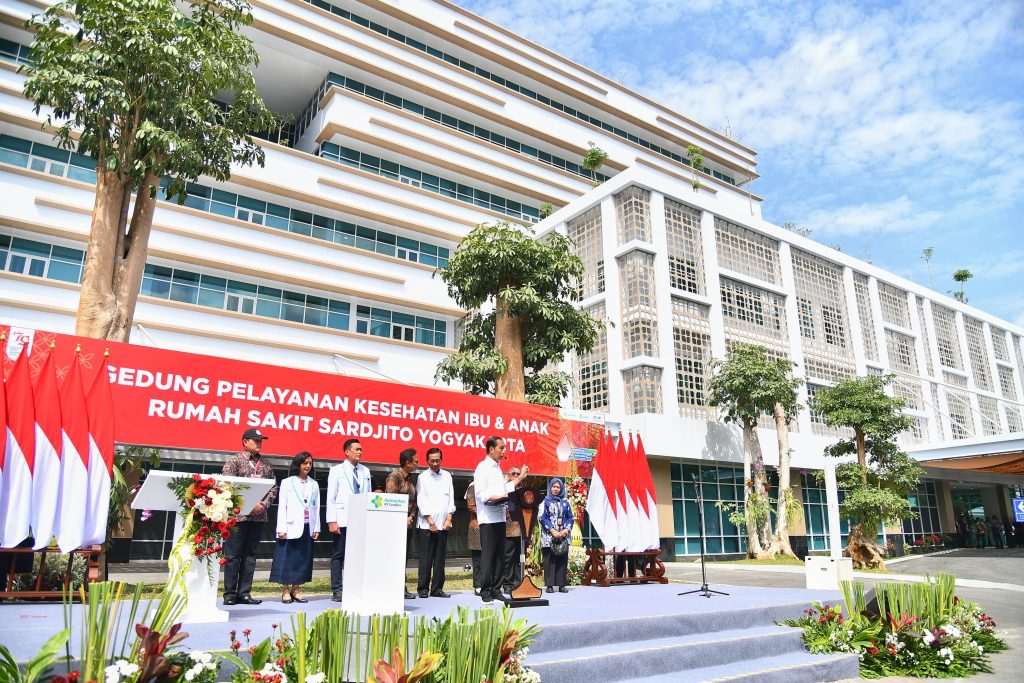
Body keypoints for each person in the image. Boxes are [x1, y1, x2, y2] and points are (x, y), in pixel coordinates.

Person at [221, 427, 278, 606]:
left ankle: (244, 593)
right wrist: (248, 504)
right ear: (245, 442)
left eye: (261, 440)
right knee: (232, 555)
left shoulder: (266, 465)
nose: (259, 443)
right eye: (256, 440)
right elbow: (229, 486)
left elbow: (273, 487)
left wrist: (263, 504)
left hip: (258, 517)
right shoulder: (234, 461)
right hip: (238, 518)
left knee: (250, 556)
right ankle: (229, 594)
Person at [473, 437, 528, 603]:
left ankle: (496, 589)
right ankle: (485, 590)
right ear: (491, 449)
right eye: (501, 448)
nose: (504, 451)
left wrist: (521, 477)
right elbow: (481, 494)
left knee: (499, 557)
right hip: (488, 518)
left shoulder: (498, 468)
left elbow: (506, 489)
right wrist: (499, 497)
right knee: (488, 556)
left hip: (500, 518)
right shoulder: (482, 467)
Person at [325, 438, 372, 602]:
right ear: (347, 451)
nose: (360, 452)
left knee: (358, 556)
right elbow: (331, 497)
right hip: (342, 519)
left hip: (360, 520)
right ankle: (337, 589)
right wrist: (332, 520)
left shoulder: (365, 471)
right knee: (338, 555)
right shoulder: (336, 470)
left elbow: (369, 495)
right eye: (356, 449)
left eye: (361, 449)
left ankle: (355, 587)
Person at [270, 452, 320, 603]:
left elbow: (316, 507)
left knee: (302, 559)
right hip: (290, 527)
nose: (308, 466)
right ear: (298, 464)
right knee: (287, 559)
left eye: (310, 463)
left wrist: (316, 527)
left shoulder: (314, 484)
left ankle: (296, 589)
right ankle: (285, 590)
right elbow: (282, 507)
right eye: (305, 463)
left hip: (307, 527)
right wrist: (281, 529)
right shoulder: (287, 482)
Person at [416, 447, 456, 598]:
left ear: (441, 459)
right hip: (427, 525)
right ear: (427, 461)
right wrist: (431, 522)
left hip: (444, 524)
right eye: (431, 461)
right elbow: (421, 501)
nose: (434, 463)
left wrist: (449, 518)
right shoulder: (423, 477)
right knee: (426, 559)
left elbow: (450, 498)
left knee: (440, 559)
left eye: (437, 460)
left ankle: (437, 588)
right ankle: (423, 588)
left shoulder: (447, 476)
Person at [385, 448, 419, 600]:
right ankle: (392, 586)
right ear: (407, 462)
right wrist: (402, 518)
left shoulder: (410, 479)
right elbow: (390, 501)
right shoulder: (395, 477)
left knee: (403, 557)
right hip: (395, 524)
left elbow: (413, 502)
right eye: (416, 461)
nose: (418, 463)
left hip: (408, 524)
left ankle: (401, 586)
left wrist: (411, 517)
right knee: (394, 556)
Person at [539, 478, 573, 593]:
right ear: (550, 487)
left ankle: (561, 585)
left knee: (562, 559)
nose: (555, 489)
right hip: (549, 535)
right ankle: (549, 585)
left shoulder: (565, 501)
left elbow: (570, 518)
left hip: (563, 535)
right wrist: (552, 530)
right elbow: (542, 518)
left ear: (561, 488)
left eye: (558, 487)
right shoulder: (545, 501)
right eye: (554, 487)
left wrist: (566, 530)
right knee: (549, 560)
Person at [502, 467, 525, 595]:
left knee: (519, 558)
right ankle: (507, 584)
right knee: (508, 558)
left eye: (518, 473)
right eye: (513, 473)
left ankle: (518, 583)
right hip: (508, 529)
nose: (516, 475)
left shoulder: (523, 491)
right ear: (508, 476)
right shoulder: (505, 488)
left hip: (521, 530)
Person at [465, 481, 482, 595]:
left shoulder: (491, 485)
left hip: (490, 526)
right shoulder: (473, 486)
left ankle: (488, 584)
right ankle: (478, 585)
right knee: (478, 558)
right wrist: (487, 512)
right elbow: (471, 506)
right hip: (477, 526)